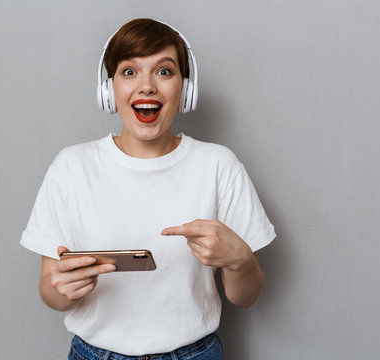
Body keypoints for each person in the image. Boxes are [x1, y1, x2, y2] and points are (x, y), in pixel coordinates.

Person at [20, 18, 276, 360]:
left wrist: (241, 260)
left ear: (185, 88)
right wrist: (64, 291)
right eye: (129, 72)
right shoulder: (70, 167)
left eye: (164, 72)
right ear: (108, 88)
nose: (146, 87)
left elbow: (246, 296)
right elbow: (50, 293)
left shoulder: (218, 165)